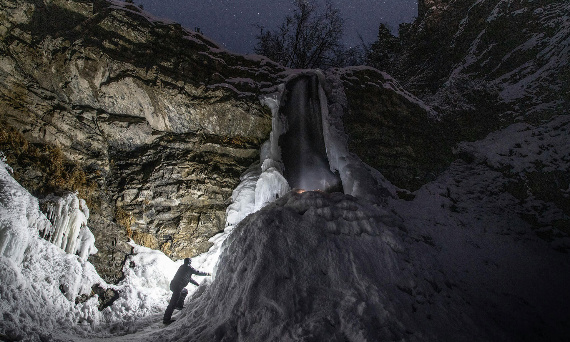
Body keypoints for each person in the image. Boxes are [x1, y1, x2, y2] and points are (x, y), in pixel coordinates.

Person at [163, 257, 211, 324]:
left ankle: (179, 305)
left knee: (184, 291)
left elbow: (189, 279)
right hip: (178, 286)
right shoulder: (188, 268)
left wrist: (198, 284)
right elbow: (197, 272)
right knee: (172, 303)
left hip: (174, 285)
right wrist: (207, 274)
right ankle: (166, 319)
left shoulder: (182, 268)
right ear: (189, 262)